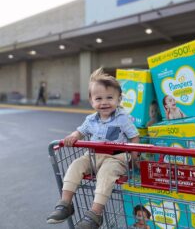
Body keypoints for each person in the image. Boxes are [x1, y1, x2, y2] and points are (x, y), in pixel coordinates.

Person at [47, 68, 140, 229]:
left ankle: (95, 214)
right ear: (91, 101)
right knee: (75, 165)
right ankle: (65, 203)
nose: (104, 102)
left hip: (115, 158)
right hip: (93, 156)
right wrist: (73, 136)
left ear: (119, 100)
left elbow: (134, 137)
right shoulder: (90, 120)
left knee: (106, 173)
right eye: (98, 98)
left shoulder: (122, 118)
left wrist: (135, 157)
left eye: (109, 97)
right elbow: (80, 131)